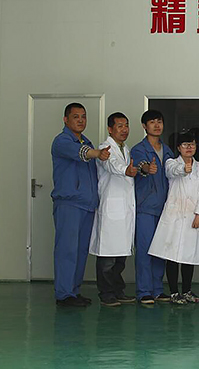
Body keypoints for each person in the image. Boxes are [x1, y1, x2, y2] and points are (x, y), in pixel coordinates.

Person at [51, 103, 110, 307]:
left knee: (80, 251)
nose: (80, 120)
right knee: (67, 250)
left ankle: (74, 291)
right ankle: (64, 294)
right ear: (65, 119)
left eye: (83, 116)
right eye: (75, 116)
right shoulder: (62, 141)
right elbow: (81, 152)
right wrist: (97, 153)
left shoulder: (86, 141)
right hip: (69, 203)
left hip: (87, 205)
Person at [149, 131, 199, 304]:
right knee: (172, 255)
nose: (189, 148)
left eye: (192, 144)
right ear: (178, 148)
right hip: (175, 216)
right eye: (185, 145)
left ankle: (187, 291)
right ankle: (174, 292)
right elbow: (172, 172)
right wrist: (184, 169)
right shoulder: (171, 163)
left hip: (193, 216)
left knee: (188, 256)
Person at [89, 112, 137, 307]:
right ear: (110, 129)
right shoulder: (104, 148)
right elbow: (112, 165)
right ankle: (106, 293)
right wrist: (126, 170)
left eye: (126, 125)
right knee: (107, 257)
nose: (124, 129)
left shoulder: (126, 148)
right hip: (111, 208)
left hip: (124, 209)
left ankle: (118, 291)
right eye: (119, 126)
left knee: (120, 258)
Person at [131, 110, 174, 304]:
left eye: (159, 122)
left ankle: (157, 289)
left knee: (160, 250)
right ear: (144, 126)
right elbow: (140, 166)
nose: (157, 126)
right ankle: (143, 291)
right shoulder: (139, 149)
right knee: (144, 250)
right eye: (152, 122)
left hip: (164, 208)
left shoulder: (168, 150)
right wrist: (147, 168)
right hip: (146, 207)